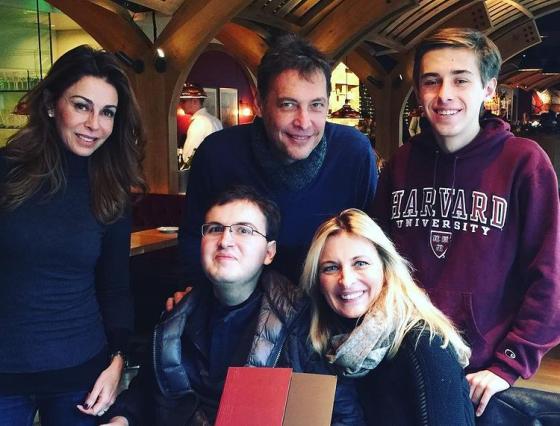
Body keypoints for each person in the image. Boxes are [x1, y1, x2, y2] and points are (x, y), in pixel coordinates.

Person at [371, 27, 560, 417]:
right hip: (402, 360)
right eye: (431, 81)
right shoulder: (402, 163)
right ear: (418, 91)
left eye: (460, 80)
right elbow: (378, 263)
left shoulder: (524, 162)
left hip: (481, 375)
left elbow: (549, 273)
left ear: (488, 88)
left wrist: (511, 362)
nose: (444, 94)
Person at [101, 186, 360, 426]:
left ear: (269, 252)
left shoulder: (301, 322)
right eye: (215, 228)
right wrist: (121, 419)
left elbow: (342, 416)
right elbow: (146, 392)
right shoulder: (175, 318)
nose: (225, 240)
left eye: (244, 230)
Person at [0, 45, 146, 425]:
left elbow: (115, 287)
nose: (94, 124)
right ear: (51, 105)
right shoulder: (6, 172)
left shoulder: (111, 188)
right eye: (82, 106)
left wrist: (118, 361)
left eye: (107, 112)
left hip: (81, 377)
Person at [179, 34, 377, 285]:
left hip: (331, 300)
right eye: (288, 105)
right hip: (239, 303)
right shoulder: (218, 153)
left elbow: (372, 243)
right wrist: (192, 292)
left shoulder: (353, 152)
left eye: (316, 105)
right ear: (260, 104)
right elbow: (193, 238)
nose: (304, 122)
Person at [300, 209, 474, 425]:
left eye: (360, 263)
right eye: (331, 268)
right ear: (317, 281)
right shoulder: (333, 343)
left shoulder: (425, 345)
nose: (346, 281)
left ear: (385, 268)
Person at [179, 83, 222, 166]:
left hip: (205, 169)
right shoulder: (216, 120)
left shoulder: (199, 123)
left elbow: (188, 157)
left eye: (183, 101)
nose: (181, 105)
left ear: (195, 101)